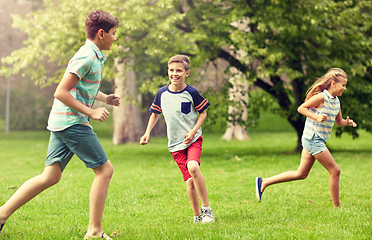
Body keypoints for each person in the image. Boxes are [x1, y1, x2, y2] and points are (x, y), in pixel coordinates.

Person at [0, 10, 120, 239]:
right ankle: (94, 232)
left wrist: (105, 99)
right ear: (101, 33)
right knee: (105, 170)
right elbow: (61, 92)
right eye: (114, 34)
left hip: (62, 121)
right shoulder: (86, 56)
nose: (115, 38)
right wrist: (91, 112)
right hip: (72, 121)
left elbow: (81, 88)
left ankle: (1, 215)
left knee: (51, 176)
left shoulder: (92, 55)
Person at [256, 68, 357, 208]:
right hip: (313, 138)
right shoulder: (321, 97)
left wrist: (347, 122)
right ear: (333, 83)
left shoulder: (336, 101)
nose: (345, 88)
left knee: (301, 174)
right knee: (335, 171)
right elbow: (301, 108)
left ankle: (264, 182)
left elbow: (338, 122)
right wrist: (316, 117)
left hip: (316, 139)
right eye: (343, 85)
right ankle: (337, 206)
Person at [140, 55, 215, 223]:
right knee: (189, 182)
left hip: (193, 139)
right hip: (175, 145)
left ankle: (207, 210)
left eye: (179, 71)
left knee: (193, 167)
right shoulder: (162, 93)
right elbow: (155, 114)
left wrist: (193, 130)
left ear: (186, 73)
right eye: (171, 70)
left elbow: (203, 112)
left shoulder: (192, 92)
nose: (175, 74)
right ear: (168, 72)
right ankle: (197, 216)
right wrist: (147, 133)